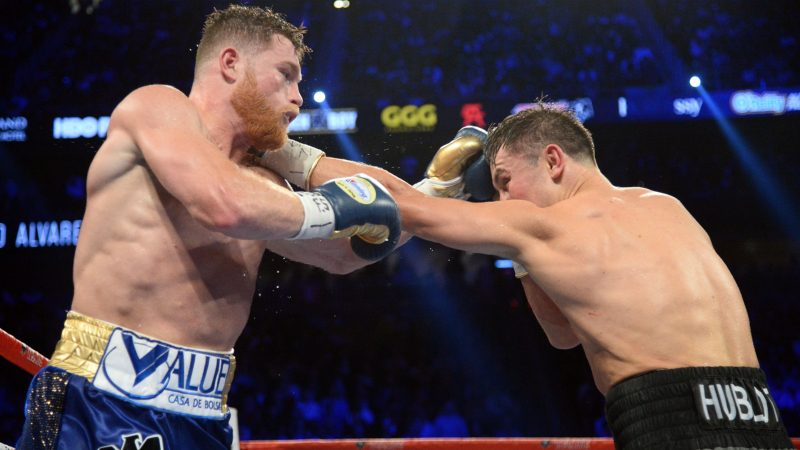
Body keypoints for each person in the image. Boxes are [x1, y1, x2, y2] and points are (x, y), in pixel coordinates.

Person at [261, 104, 795, 450]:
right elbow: (563, 335)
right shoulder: (669, 208)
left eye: (504, 181)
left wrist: (275, 148)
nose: (502, 201)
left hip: (670, 425)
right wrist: (521, 255)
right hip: (760, 416)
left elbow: (395, 203)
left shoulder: (546, 223)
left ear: (554, 160)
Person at [17, 5, 405, 450]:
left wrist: (434, 195)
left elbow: (341, 254)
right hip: (103, 398)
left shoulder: (264, 187)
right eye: (286, 74)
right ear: (231, 63)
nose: (299, 96)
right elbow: (221, 203)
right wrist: (335, 206)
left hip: (203, 416)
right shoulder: (157, 108)